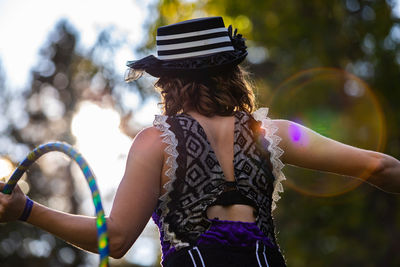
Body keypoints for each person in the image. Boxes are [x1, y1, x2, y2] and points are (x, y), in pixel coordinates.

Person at [0, 16, 399, 267]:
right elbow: (380, 166)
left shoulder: (154, 143)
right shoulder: (272, 134)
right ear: (230, 74)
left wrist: (26, 210)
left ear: (170, 82)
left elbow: (117, 240)